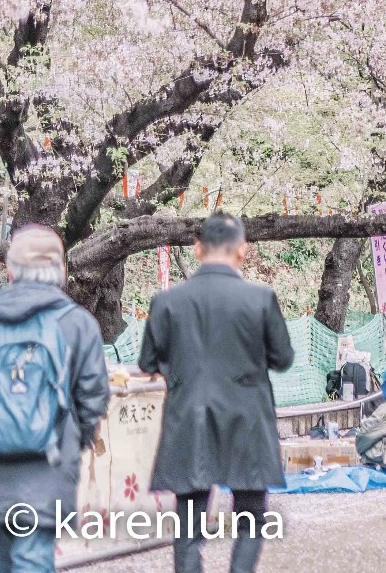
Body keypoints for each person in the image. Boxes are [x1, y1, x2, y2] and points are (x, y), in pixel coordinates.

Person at [135, 213, 293, 573]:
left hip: (188, 415)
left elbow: (147, 361)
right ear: (242, 251)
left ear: (197, 249)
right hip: (247, 417)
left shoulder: (166, 302)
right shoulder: (260, 299)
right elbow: (282, 358)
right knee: (251, 517)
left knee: (188, 526)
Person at [0, 226, 109, 573]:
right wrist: (69, 443)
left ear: (9, 270)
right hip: (49, 472)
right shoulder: (78, 324)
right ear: (61, 272)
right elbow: (93, 398)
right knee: (34, 561)